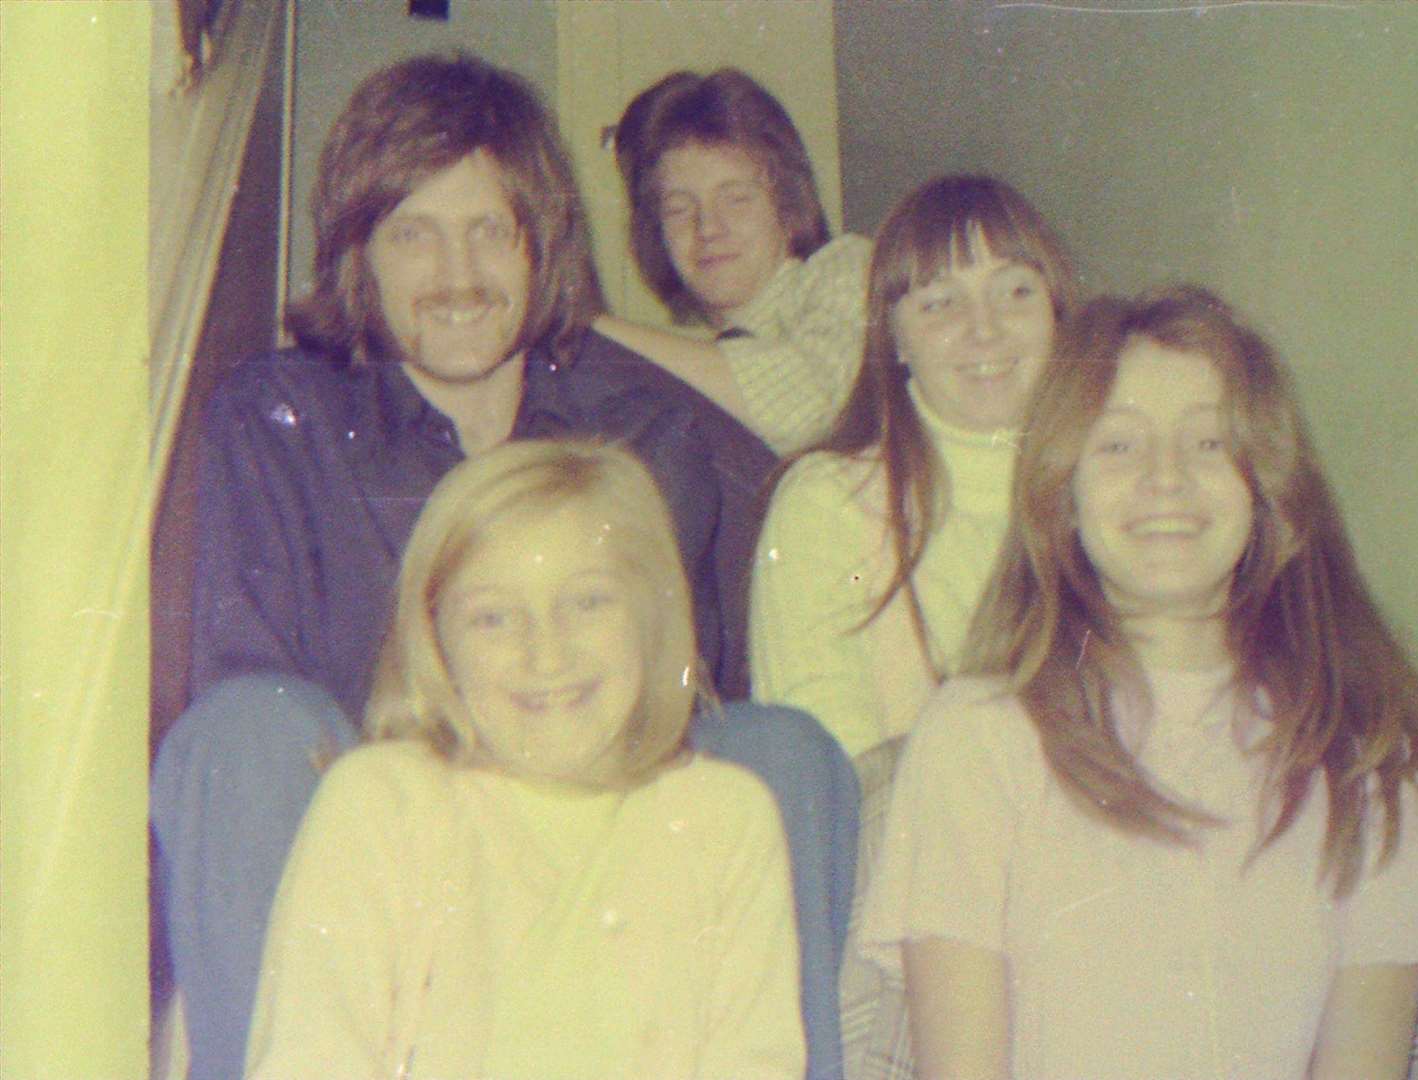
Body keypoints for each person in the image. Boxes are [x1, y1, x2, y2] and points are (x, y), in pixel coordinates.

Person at [150, 54, 856, 1080]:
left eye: (491, 229)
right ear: (360, 255)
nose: (459, 274)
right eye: (414, 234)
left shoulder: (642, 429)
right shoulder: (279, 418)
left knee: (784, 750)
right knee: (241, 732)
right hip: (390, 840)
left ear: (543, 243)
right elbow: (256, 689)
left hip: (596, 821)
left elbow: (672, 700)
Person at [860, 286, 1418, 1079]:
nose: (1165, 478)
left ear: (1267, 488)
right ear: (1060, 494)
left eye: (1208, 444)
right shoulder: (976, 738)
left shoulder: (1370, 749)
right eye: (1119, 446)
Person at [246, 440, 805, 1079]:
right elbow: (311, 1058)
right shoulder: (383, 801)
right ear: (435, 643)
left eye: (589, 602)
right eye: (493, 618)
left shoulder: (725, 819)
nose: (546, 653)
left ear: (652, 616)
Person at [749, 176, 1083, 760]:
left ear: (1058, 314)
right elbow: (835, 776)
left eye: (1015, 292)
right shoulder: (829, 504)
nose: (985, 329)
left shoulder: (1112, 496)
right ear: (895, 338)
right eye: (940, 302)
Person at [594, 68, 871, 456]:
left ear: (789, 205)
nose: (707, 228)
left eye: (736, 198)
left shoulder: (848, 270)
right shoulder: (699, 360)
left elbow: (805, 405)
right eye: (678, 209)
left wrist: (591, 327)